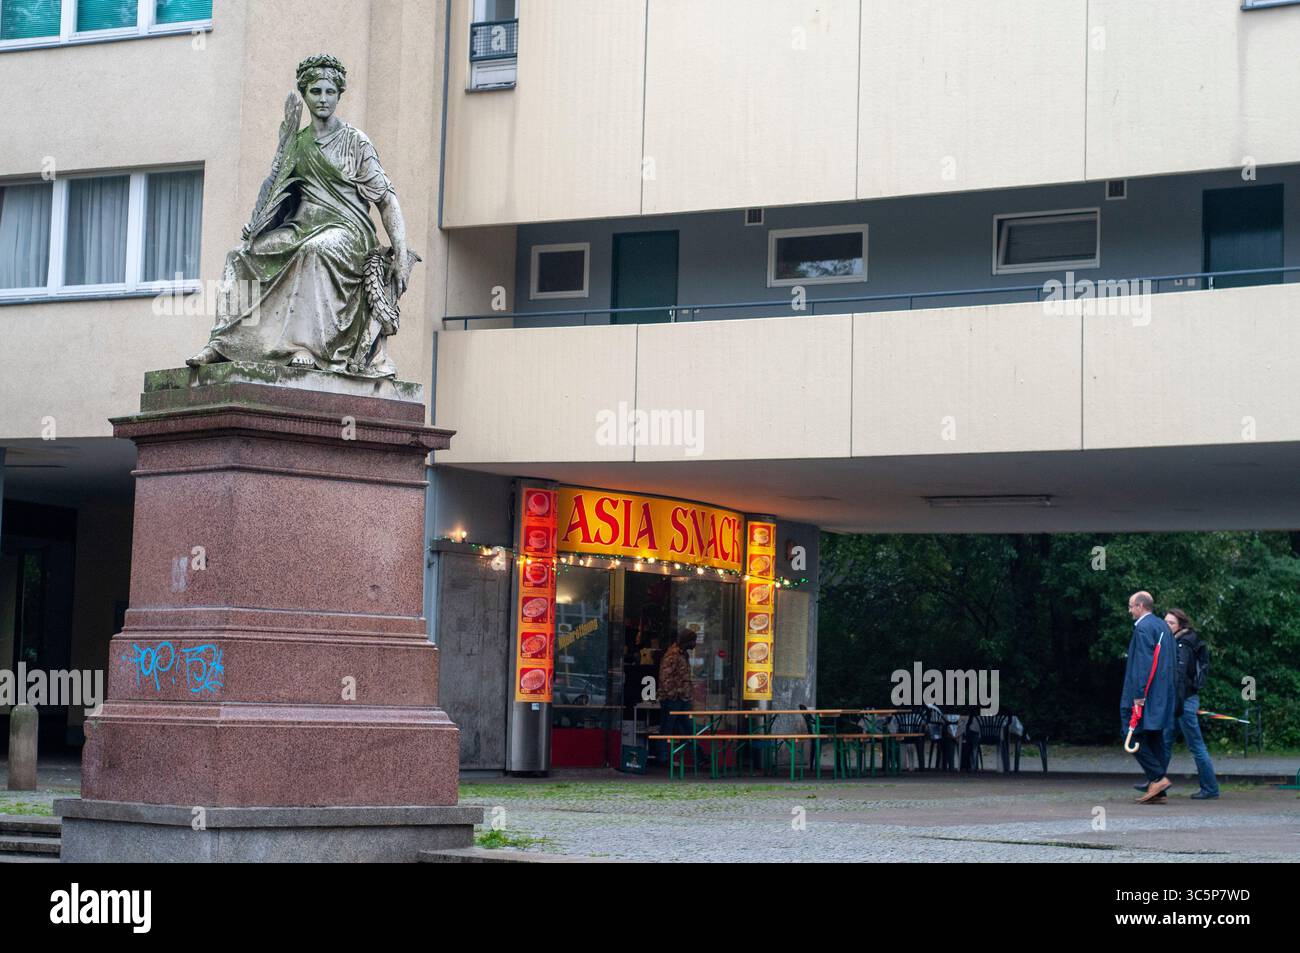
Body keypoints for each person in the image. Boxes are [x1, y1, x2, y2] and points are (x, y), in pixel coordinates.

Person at [187, 53, 417, 377]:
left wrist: (401, 250)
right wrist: (258, 223)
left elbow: (387, 200)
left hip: (348, 231)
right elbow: (277, 191)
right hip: (302, 226)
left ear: (339, 94)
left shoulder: (356, 142)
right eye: (315, 92)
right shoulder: (297, 142)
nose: (323, 99)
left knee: (314, 252)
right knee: (241, 256)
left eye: (329, 92)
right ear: (305, 94)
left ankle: (308, 346)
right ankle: (224, 343)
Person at [1120, 591, 1178, 803]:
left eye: (1131, 606)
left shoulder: (1144, 628)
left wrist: (1138, 695)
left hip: (1145, 694)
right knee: (1154, 737)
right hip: (1162, 694)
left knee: (1130, 734)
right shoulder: (1163, 627)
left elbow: (1143, 664)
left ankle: (1157, 778)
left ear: (1140, 606)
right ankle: (1158, 789)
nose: (1129, 610)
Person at [1159, 608, 1220, 799]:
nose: (1166, 625)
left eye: (1171, 623)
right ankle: (1156, 784)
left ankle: (1210, 789)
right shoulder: (1183, 641)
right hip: (1182, 700)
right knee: (1165, 743)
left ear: (1180, 626)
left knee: (1195, 746)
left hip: (1182, 701)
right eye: (1165, 622)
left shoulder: (1182, 645)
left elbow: (1180, 678)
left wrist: (1176, 704)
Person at [654, 630, 696, 766]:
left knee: (688, 729)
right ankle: (663, 758)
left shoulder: (684, 655)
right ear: (687, 641)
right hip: (673, 699)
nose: (695, 644)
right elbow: (664, 677)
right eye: (693, 641)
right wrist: (672, 695)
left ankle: (699, 757)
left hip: (683, 698)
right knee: (667, 728)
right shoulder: (672, 654)